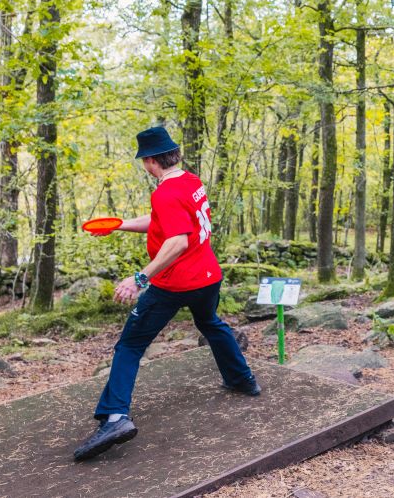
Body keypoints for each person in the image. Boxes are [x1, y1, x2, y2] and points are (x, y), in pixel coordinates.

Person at [73, 127, 259, 462]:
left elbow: (177, 241)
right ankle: (243, 380)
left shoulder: (165, 193)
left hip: (174, 284)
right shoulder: (189, 182)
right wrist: (120, 224)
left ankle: (115, 418)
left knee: (130, 345)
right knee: (211, 324)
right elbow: (165, 222)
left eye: (144, 159)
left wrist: (139, 279)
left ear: (150, 161)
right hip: (207, 277)